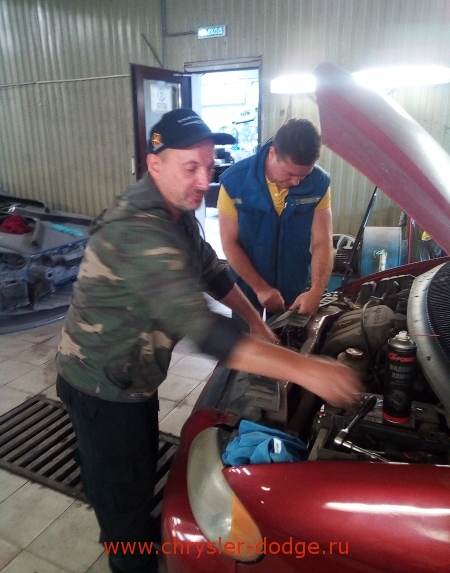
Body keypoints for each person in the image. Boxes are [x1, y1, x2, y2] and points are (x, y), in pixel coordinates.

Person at [55, 108, 361, 573]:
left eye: (209, 166)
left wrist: (257, 324)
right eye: (190, 167)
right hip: (101, 386)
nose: (205, 181)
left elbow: (214, 273)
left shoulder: (176, 215)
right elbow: (204, 329)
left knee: (139, 471)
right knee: (121, 501)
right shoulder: (137, 229)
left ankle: (139, 534)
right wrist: (309, 370)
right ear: (155, 164)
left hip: (134, 378)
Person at [218, 118, 333, 317]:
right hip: (247, 283)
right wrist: (260, 287)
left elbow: (323, 242)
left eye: (303, 176)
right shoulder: (234, 182)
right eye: (289, 174)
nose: (296, 182)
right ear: (273, 153)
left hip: (293, 283)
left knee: (289, 335)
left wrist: (316, 290)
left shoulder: (319, 184)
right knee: (247, 334)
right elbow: (229, 242)